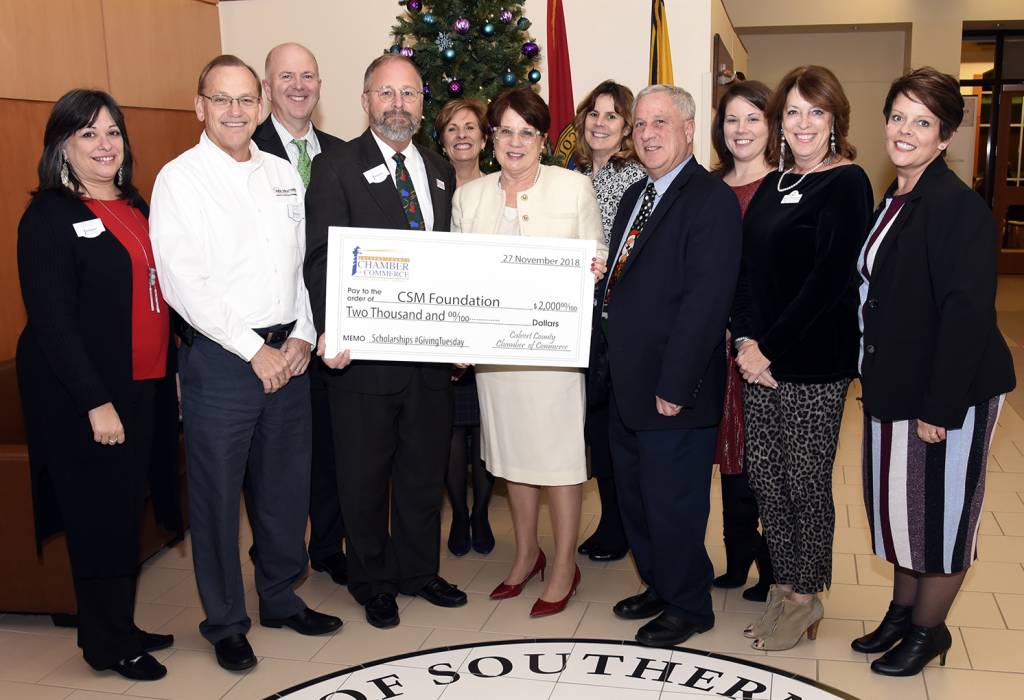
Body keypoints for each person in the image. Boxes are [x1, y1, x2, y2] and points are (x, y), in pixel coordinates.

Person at [150, 54, 342, 673]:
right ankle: (226, 621)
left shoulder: (282, 173)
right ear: (199, 106)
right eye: (220, 99)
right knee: (217, 498)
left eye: (244, 100)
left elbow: (296, 269)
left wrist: (304, 338)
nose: (235, 111)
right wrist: (252, 349)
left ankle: (281, 596)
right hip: (223, 361)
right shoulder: (180, 179)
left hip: (286, 353)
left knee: (286, 489)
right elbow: (184, 283)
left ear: (260, 105)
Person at [852, 67, 1015, 676]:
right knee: (900, 507)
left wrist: (940, 410)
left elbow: (966, 317)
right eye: (898, 117)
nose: (905, 130)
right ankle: (901, 613)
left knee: (940, 515)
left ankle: (929, 631)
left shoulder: (956, 207)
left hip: (950, 394)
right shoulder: (895, 197)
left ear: (944, 137)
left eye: (922, 122)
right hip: (896, 384)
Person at [16, 89, 176, 681]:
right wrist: (95, 402)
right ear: (62, 144)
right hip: (86, 396)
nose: (104, 144)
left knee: (124, 510)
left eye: (112, 132)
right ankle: (106, 644)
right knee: (96, 516)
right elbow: (52, 322)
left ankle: (119, 624)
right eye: (88, 134)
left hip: (141, 383)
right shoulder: (50, 216)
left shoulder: (132, 204)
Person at [304, 53, 466, 630]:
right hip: (363, 360)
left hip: (428, 360)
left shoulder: (439, 168)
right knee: (365, 475)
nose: (398, 104)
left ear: (422, 103)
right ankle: (372, 580)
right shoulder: (336, 166)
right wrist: (334, 326)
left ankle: (419, 570)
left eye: (409, 94)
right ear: (366, 100)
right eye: (386, 93)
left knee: (424, 472)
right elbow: (322, 257)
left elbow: (453, 263)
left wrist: (461, 329)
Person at [731, 65, 873, 651]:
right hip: (757, 361)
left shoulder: (847, 183)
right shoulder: (773, 183)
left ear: (835, 119)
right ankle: (784, 585)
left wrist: (769, 348)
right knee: (765, 476)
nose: (804, 122)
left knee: (805, 480)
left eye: (816, 111)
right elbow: (748, 274)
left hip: (813, 362)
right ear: (779, 123)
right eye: (793, 111)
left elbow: (828, 281)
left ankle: (807, 594)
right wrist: (743, 342)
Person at [452, 87, 606, 617]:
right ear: (491, 137)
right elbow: (457, 277)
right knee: (513, 458)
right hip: (497, 360)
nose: (515, 142)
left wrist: (594, 267)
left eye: (527, 131)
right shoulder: (469, 196)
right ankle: (526, 556)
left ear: (543, 139)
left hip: (552, 357)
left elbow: (597, 251)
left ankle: (564, 562)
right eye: (505, 130)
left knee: (559, 461)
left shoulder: (574, 188)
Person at [603, 84, 742, 647]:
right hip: (626, 381)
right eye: (639, 124)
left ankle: (689, 604)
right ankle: (660, 585)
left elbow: (706, 302)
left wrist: (676, 384)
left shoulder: (708, 199)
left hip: (672, 388)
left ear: (688, 129)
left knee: (674, 502)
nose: (647, 133)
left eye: (660, 122)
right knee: (637, 497)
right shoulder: (638, 193)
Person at [251, 42, 349, 586]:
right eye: (285, 76)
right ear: (267, 87)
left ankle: (329, 547)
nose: (297, 85)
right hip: (277, 337)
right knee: (276, 464)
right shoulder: (245, 148)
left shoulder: (340, 152)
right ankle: (274, 553)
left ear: (319, 84)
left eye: (307, 75)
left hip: (334, 329)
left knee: (332, 448)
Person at [571, 79, 646, 563]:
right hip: (573, 320)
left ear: (627, 128)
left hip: (615, 321)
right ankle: (612, 520)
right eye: (593, 114)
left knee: (615, 426)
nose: (600, 123)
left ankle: (620, 524)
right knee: (593, 427)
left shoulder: (635, 179)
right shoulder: (567, 173)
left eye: (612, 116)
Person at [708, 79, 775, 602]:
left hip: (764, 349)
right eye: (732, 119)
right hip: (713, 346)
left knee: (764, 461)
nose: (742, 129)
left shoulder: (787, 187)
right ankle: (735, 562)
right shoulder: (709, 187)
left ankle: (774, 568)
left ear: (771, 126)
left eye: (753, 117)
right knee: (727, 455)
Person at [434, 97, 495, 556]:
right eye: (452, 127)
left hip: (491, 323)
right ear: (441, 136)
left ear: (483, 136)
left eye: (470, 126)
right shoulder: (429, 187)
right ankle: (458, 513)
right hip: (446, 323)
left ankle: (482, 515)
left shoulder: (498, 188)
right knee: (454, 430)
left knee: (487, 427)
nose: (461, 135)